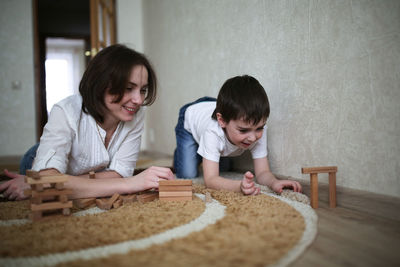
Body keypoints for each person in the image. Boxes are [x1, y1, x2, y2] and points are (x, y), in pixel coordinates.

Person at [1, 44, 174, 200]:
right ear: (101, 84)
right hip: (38, 158)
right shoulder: (65, 111)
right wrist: (131, 184)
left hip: (89, 171)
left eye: (143, 90)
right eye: (128, 88)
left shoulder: (136, 114)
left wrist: (46, 183)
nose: (138, 99)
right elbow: (48, 181)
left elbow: (120, 174)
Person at [174, 75, 301, 195]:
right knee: (187, 173)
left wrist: (274, 182)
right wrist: (239, 186)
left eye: (259, 128)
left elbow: (262, 172)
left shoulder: (256, 127)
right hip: (191, 116)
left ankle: (204, 152)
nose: (253, 138)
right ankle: (184, 152)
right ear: (222, 121)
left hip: (215, 109)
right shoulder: (212, 132)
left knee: (225, 168)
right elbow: (210, 180)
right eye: (243, 130)